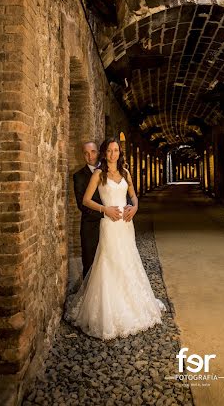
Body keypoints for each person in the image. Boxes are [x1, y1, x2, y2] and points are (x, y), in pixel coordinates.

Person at [66, 137, 166, 340]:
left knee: (128, 261)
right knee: (109, 262)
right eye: (109, 151)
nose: (113, 154)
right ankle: (109, 309)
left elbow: (134, 196)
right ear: (104, 153)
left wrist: (135, 207)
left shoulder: (126, 173)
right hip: (109, 224)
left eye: (116, 150)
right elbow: (86, 200)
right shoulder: (98, 174)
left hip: (126, 225)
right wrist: (105, 209)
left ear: (119, 152)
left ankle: (133, 303)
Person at [73, 141, 133, 278]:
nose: (90, 156)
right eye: (86, 153)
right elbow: (82, 204)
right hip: (92, 225)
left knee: (116, 261)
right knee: (91, 263)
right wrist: (106, 213)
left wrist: (127, 207)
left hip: (115, 224)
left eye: (93, 152)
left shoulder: (115, 171)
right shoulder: (79, 176)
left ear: (99, 153)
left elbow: (124, 193)